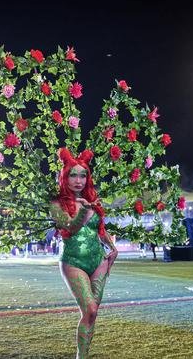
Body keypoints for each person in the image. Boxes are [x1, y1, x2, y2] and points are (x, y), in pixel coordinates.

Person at [49, 148, 118, 359]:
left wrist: (112, 248)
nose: (78, 180)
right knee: (89, 310)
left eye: (83, 175)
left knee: (93, 314)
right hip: (73, 262)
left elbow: (100, 230)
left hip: (98, 260)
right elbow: (68, 229)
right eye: (73, 175)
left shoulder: (92, 201)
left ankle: (84, 355)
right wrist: (83, 213)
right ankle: (81, 356)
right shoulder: (56, 203)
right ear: (65, 176)